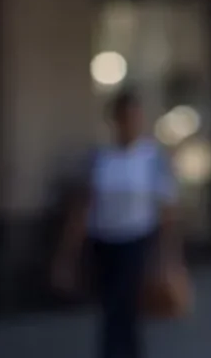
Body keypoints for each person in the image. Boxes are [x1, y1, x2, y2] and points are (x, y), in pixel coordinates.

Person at [53, 89, 179, 358]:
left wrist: (168, 258)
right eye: (124, 117)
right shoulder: (101, 159)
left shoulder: (151, 158)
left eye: (135, 116)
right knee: (111, 307)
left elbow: (166, 210)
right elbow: (83, 207)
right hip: (103, 242)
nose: (130, 123)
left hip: (137, 240)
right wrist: (68, 254)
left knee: (123, 307)